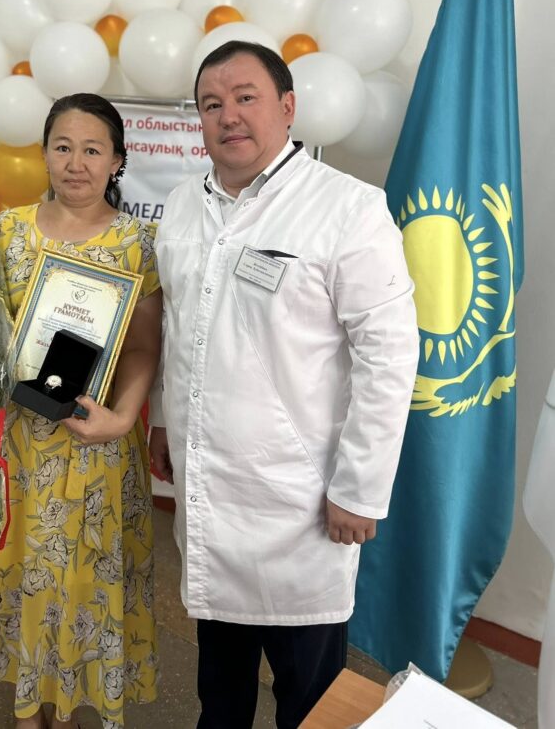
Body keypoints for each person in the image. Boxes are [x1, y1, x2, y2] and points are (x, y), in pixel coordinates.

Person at [148, 41, 420, 729]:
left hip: (300, 502)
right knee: (221, 685)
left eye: (246, 98)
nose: (228, 116)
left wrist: (359, 489)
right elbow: (177, 327)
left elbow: (389, 356)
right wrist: (162, 421)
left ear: (288, 107)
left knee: (307, 696)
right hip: (212, 491)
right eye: (211, 104)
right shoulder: (181, 206)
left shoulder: (347, 208)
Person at [0, 94, 161, 729]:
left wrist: (124, 418)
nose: (76, 163)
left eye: (92, 150)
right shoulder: (2, 232)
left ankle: (63, 705)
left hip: (93, 446)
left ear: (117, 160)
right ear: (44, 154)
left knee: (77, 581)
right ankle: (27, 707)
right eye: (63, 147)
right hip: (11, 446)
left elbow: (144, 347)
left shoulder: (139, 244)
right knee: (14, 575)